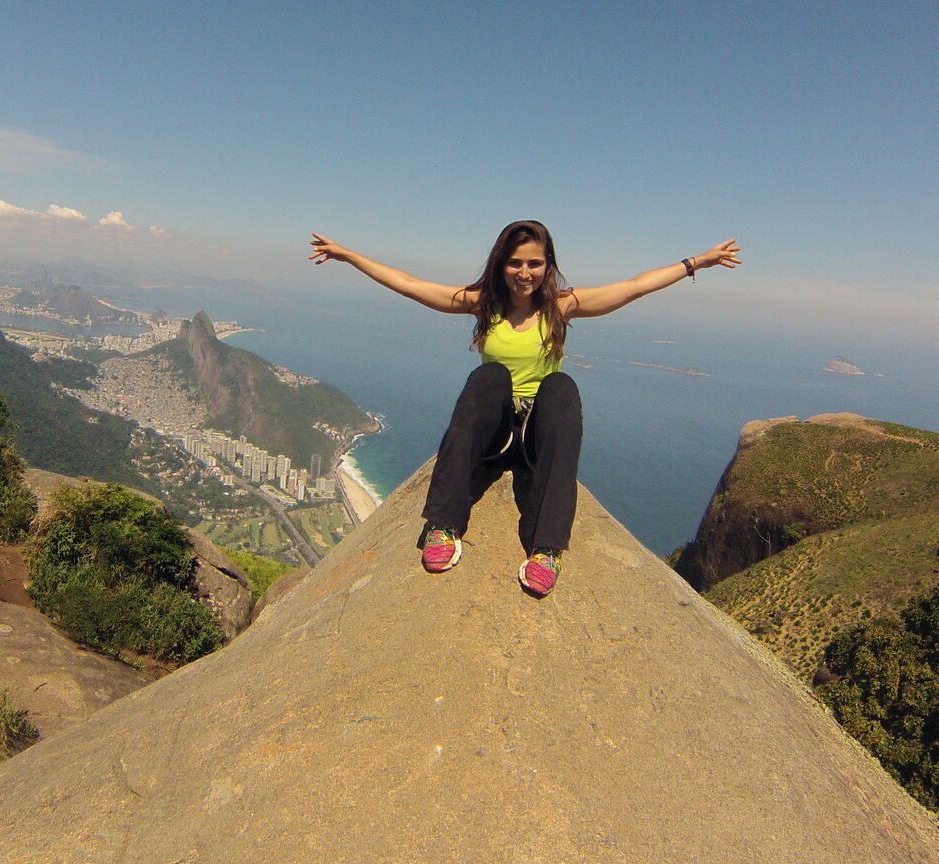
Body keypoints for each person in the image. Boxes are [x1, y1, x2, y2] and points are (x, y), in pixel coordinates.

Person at [308, 221, 741, 597]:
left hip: (536, 437)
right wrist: (350, 256)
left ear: (548, 266)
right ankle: (443, 524)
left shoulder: (562, 306)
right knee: (488, 378)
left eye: (535, 263)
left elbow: (635, 286)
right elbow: (409, 284)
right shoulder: (483, 303)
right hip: (495, 438)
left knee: (561, 387)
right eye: (515, 263)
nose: (525, 272)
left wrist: (696, 263)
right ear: (501, 265)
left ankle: (546, 548)